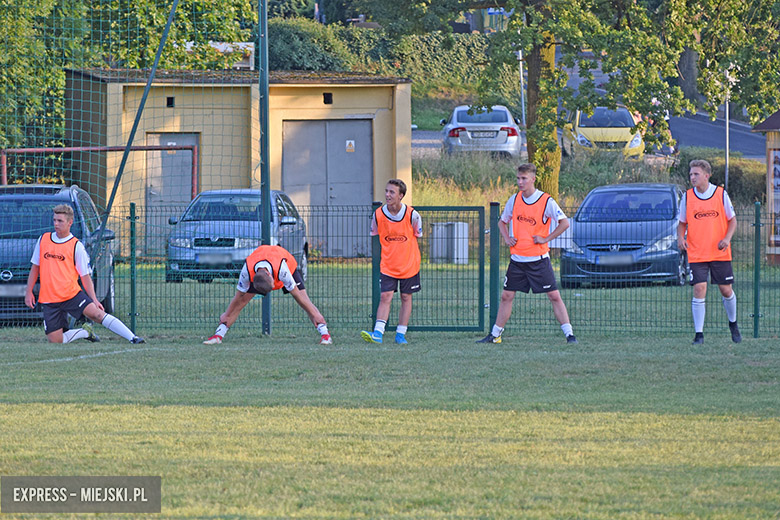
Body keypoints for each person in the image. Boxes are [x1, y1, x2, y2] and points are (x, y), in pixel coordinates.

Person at [478, 163, 577, 344]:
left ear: (533, 179)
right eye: (518, 178)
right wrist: (507, 238)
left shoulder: (546, 201)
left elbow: (564, 223)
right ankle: (495, 335)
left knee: (554, 296)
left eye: (524, 178)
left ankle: (569, 334)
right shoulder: (514, 199)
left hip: (539, 260)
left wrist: (546, 238)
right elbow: (502, 222)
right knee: (507, 296)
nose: (520, 182)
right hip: (517, 260)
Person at [25, 204, 144, 344]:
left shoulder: (76, 246)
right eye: (54, 220)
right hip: (49, 299)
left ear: (70, 223)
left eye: (60, 221)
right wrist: (29, 292)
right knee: (56, 341)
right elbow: (35, 267)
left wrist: (94, 299)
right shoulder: (43, 240)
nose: (56, 224)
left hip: (71, 295)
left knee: (97, 314)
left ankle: (133, 338)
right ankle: (85, 332)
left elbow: (85, 276)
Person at [204, 244, 332, 345]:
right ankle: (218, 335)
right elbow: (238, 297)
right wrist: (227, 315)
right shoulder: (246, 272)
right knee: (240, 303)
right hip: (262, 268)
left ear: (271, 276)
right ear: (253, 281)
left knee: (304, 300)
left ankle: (325, 334)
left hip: (288, 264)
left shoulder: (283, 270)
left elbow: (297, 295)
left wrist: (316, 315)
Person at [677, 159, 741, 345]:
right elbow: (682, 223)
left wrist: (727, 239)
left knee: (725, 290)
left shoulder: (720, 194)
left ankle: (733, 324)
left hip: (719, 252)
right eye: (690, 174)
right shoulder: (688, 197)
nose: (692, 177)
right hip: (697, 252)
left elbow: (733, 220)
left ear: (707, 175)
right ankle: (699, 334)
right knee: (699, 288)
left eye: (696, 174)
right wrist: (680, 238)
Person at [361, 179, 422, 344]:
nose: (387, 195)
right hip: (388, 265)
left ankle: (400, 334)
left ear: (401, 196)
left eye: (392, 192)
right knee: (385, 296)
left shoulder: (412, 215)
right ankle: (378, 334)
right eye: (386, 191)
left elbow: (417, 234)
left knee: (406, 297)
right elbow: (375, 233)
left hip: (409, 265)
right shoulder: (378, 215)